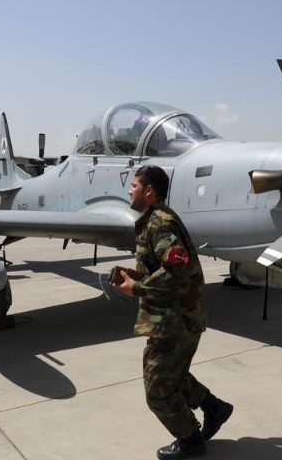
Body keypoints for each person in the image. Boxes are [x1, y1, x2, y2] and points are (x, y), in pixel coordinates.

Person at [111, 165, 232, 459]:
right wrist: (138, 276)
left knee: (157, 390)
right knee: (172, 378)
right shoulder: (154, 219)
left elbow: (177, 269)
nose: (130, 190)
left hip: (176, 320)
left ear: (149, 191)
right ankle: (214, 408)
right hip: (174, 317)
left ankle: (190, 439)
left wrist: (135, 289)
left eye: (135, 185)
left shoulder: (159, 223)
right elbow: (168, 268)